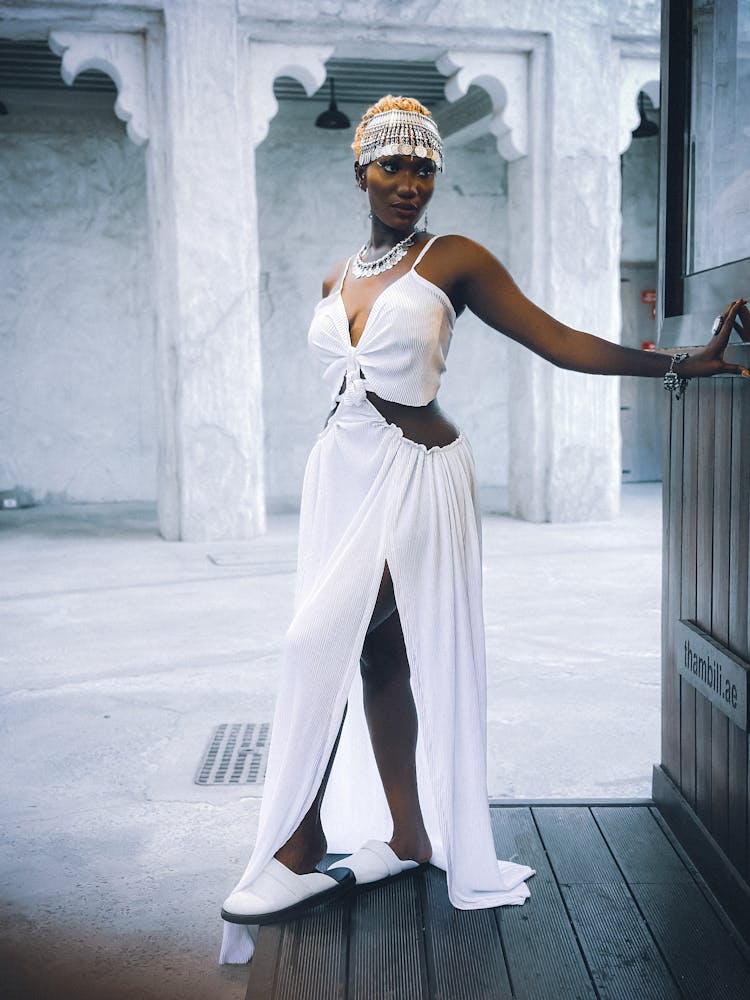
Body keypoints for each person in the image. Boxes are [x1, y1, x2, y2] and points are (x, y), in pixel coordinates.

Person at [219, 95, 749, 965]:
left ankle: (299, 847)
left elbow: (557, 338)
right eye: (392, 165)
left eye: (424, 167)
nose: (409, 182)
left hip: (419, 482)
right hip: (341, 483)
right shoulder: (335, 278)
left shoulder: (452, 259)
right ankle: (410, 832)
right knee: (373, 655)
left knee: (312, 643)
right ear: (362, 170)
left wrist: (681, 362)